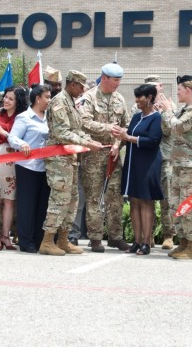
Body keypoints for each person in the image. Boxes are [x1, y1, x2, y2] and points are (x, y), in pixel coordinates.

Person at [40, 70, 102, 256]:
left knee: (72, 199)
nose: (83, 91)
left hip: (70, 159)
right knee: (59, 199)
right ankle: (47, 241)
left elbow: (76, 129)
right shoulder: (60, 101)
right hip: (58, 159)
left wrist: (90, 141)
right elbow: (62, 133)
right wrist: (86, 143)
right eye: (81, 87)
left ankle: (63, 240)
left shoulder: (71, 103)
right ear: (72, 84)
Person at [157, 75, 192, 259]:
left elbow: (178, 128)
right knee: (176, 206)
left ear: (188, 90)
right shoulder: (184, 109)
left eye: (179, 89)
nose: (177, 92)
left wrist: (168, 111)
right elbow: (168, 128)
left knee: (188, 207)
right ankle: (184, 242)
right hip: (179, 163)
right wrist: (168, 112)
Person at [80, 62, 131, 252]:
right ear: (104, 78)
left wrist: (118, 144)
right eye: (115, 80)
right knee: (94, 197)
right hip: (93, 155)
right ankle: (95, 238)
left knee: (115, 198)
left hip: (114, 155)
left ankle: (116, 236)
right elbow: (84, 123)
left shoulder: (120, 99)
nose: (118, 84)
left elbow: (126, 125)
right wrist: (108, 128)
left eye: (119, 80)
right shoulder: (89, 97)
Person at [114, 84, 163, 256]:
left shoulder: (157, 118)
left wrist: (129, 138)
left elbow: (153, 140)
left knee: (146, 200)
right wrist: (121, 135)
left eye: (139, 97)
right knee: (134, 200)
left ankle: (146, 242)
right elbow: (128, 135)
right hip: (132, 162)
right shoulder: (136, 117)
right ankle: (136, 240)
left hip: (148, 164)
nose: (136, 101)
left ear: (149, 97)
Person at [8, 84, 52, 253]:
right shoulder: (24, 117)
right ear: (37, 98)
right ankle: (26, 241)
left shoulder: (49, 117)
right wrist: (22, 143)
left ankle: (39, 239)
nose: (49, 100)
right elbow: (13, 137)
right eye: (47, 97)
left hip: (46, 167)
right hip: (28, 167)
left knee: (42, 205)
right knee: (27, 205)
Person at [0, 85, 27, 251]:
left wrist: (2, 131)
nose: (6, 101)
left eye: (11, 99)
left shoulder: (22, 117)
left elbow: (17, 138)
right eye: (6, 98)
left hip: (13, 160)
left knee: (10, 200)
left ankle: (6, 236)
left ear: (18, 101)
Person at [142, 75, 176, 250]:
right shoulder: (139, 106)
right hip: (148, 157)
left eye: (156, 88)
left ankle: (168, 235)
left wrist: (164, 111)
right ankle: (149, 235)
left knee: (166, 198)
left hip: (165, 157)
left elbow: (172, 130)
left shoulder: (169, 107)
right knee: (147, 198)